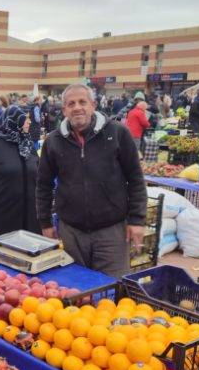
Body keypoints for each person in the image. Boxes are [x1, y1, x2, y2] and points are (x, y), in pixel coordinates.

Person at [35, 83, 147, 278]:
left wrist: (137, 219)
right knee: (74, 290)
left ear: (93, 105)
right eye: (71, 103)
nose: (77, 107)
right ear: (64, 110)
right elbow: (43, 185)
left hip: (111, 231)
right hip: (71, 232)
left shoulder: (117, 133)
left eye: (82, 102)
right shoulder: (53, 141)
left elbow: (136, 178)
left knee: (113, 291)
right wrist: (45, 222)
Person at [0, 106, 39, 235]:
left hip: (29, 218)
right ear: (13, 120)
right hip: (0, 216)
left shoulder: (29, 145)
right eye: (25, 118)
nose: (29, 122)